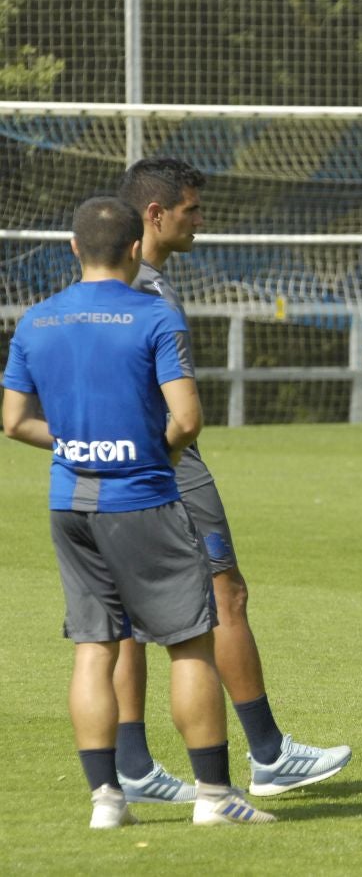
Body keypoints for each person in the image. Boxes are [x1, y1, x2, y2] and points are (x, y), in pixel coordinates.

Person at [2, 197, 274, 827]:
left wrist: (75, 444)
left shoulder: (35, 321)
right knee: (189, 646)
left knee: (95, 648)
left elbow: (12, 421)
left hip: (69, 502)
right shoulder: (153, 314)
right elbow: (186, 419)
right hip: (142, 499)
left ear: (73, 249)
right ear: (134, 248)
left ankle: (106, 802)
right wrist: (144, 453)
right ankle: (214, 797)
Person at [112, 158, 351, 800]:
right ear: (156, 214)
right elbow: (176, 411)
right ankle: (267, 754)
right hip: (168, 463)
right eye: (191, 209)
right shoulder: (144, 290)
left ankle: (131, 767)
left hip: (109, 467)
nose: (201, 219)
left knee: (126, 618)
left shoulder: (117, 281)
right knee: (225, 597)